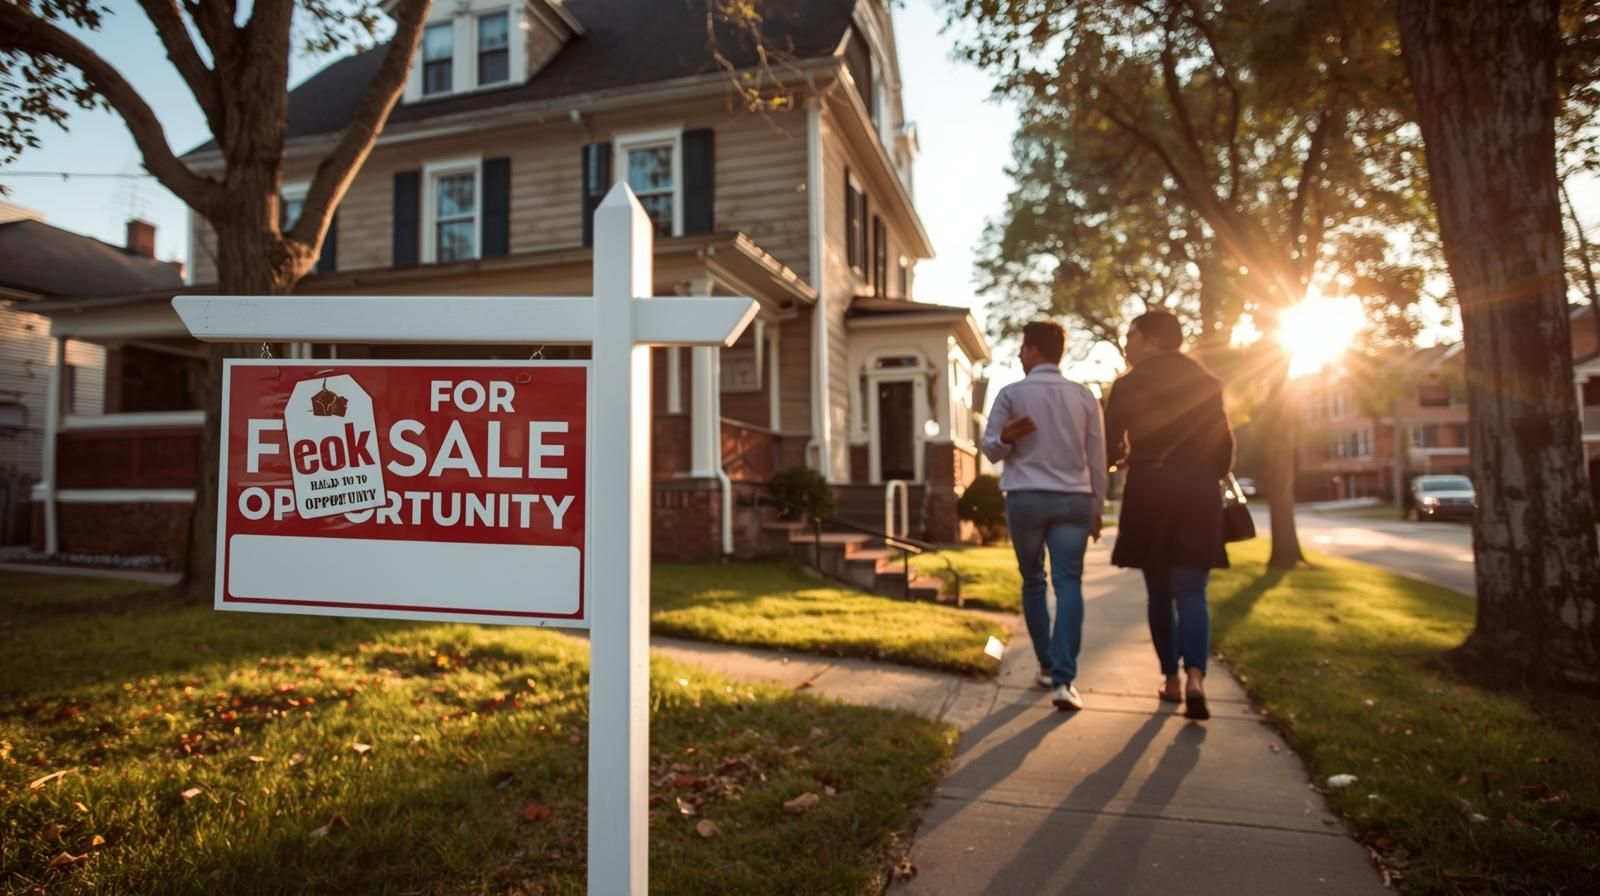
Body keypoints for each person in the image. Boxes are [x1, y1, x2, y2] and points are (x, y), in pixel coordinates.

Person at [1104, 310, 1235, 721]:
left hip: (1150, 489)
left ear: (1151, 339)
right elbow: (1224, 447)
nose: (1127, 344)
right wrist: (1199, 473)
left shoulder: (1129, 384)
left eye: (1131, 335)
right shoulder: (1207, 382)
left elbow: (1109, 443)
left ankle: (1171, 680)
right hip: (1198, 491)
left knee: (1160, 591)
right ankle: (1196, 677)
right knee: (1192, 589)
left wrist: (1120, 461)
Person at [980, 320, 1107, 712]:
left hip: (1027, 499)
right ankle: (1065, 681)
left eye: (1022, 347)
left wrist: (1005, 439)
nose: (1019, 354)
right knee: (1069, 584)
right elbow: (1097, 459)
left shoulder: (1011, 394)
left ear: (1034, 350)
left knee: (1034, 581)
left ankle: (1048, 667)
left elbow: (989, 449)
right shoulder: (1084, 397)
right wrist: (1097, 507)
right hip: (1074, 501)